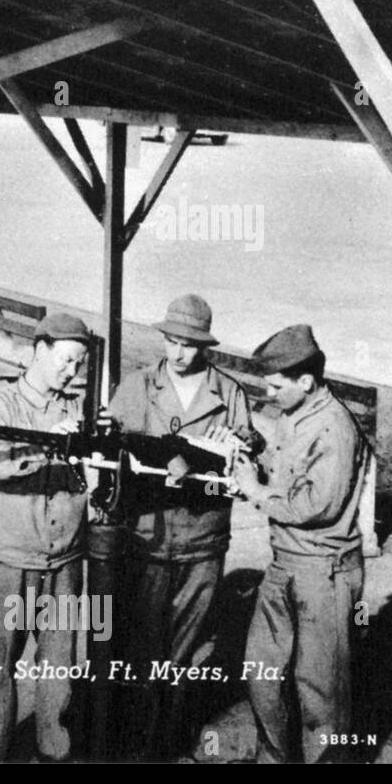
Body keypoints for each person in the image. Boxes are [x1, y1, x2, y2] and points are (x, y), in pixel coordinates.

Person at [106, 294, 257, 760]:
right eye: (172, 341)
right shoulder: (137, 385)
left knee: (185, 651)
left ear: (205, 346)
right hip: (147, 536)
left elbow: (247, 463)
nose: (179, 353)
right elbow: (111, 451)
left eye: (190, 345)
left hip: (203, 542)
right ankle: (130, 741)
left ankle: (165, 744)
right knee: (140, 645)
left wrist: (235, 445)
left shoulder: (229, 393)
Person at [230, 325, 369, 764]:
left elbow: (317, 506)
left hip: (324, 573)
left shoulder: (335, 428)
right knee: (260, 672)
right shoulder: (294, 415)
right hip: (284, 564)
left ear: (306, 382)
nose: (269, 395)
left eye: (276, 386)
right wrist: (249, 455)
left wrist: (254, 491)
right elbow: (280, 471)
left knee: (320, 694)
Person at [0, 313, 93, 763]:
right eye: (65, 361)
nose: (71, 372)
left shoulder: (74, 410)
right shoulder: (0, 405)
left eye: (79, 364)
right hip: (8, 559)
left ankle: (54, 752)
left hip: (62, 561)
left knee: (59, 666)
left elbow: (87, 480)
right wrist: (43, 446)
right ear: (39, 350)